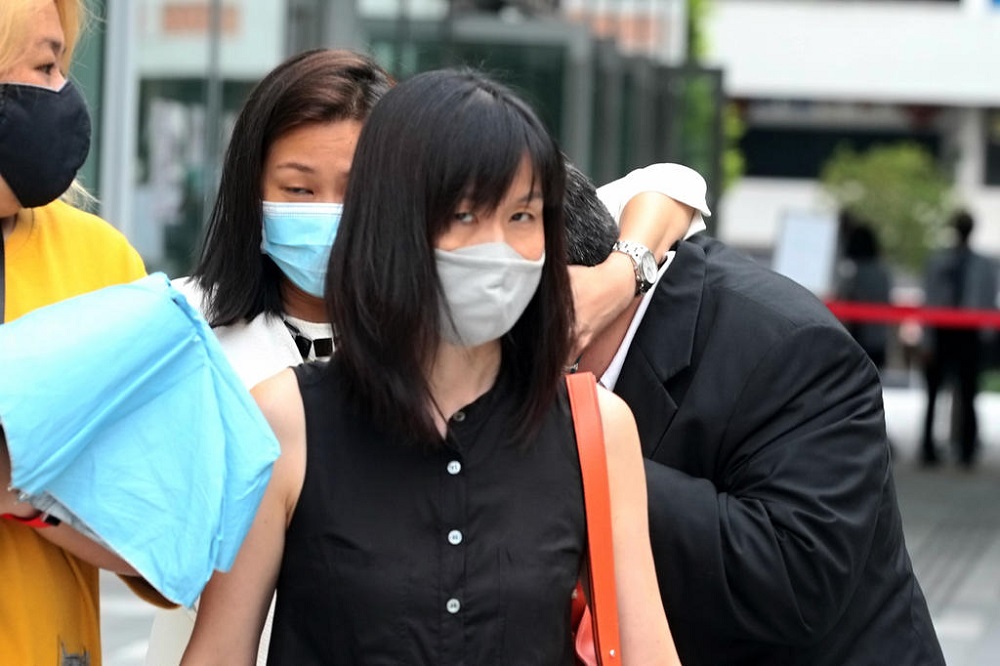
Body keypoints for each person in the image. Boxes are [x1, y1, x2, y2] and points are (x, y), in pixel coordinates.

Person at [180, 68, 679, 665]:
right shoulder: (285, 419)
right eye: (465, 215)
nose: (496, 247)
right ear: (390, 221)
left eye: (521, 217)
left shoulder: (594, 427)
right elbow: (218, 651)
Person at [563, 165, 946, 665]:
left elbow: (796, 578)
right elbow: (664, 185)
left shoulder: (794, 348)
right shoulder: (590, 244)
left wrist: (595, 457)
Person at [149, 49, 393, 664]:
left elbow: (669, 183)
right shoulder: (180, 327)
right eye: (298, 189)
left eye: (354, 190)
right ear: (252, 187)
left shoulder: (432, 348)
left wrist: (623, 266)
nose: (327, 214)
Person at [0, 1, 171, 663]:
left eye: (63, 67)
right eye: (46, 65)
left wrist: (30, 495)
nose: (64, 94)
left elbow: (162, 543)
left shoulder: (102, 264)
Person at [921, 209, 998, 468]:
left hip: (968, 332)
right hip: (943, 330)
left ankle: (967, 449)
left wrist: (984, 336)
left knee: (968, 394)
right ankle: (928, 448)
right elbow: (930, 299)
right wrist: (928, 339)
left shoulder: (983, 265)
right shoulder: (939, 262)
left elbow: (987, 301)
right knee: (933, 394)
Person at [836, 218, 893, 371]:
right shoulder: (882, 272)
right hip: (878, 338)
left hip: (856, 339)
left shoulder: (852, 272)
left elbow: (845, 300)